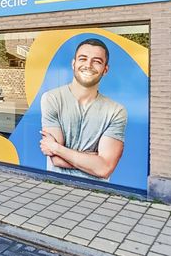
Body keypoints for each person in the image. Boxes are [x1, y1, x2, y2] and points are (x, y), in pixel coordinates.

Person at [39, 38, 127, 181]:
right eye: (83, 59)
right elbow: (56, 160)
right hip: (56, 186)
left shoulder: (116, 111)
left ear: (105, 69)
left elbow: (104, 168)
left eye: (97, 61)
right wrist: (93, 161)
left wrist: (56, 148)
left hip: (98, 191)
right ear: (73, 64)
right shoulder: (52, 98)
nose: (88, 65)